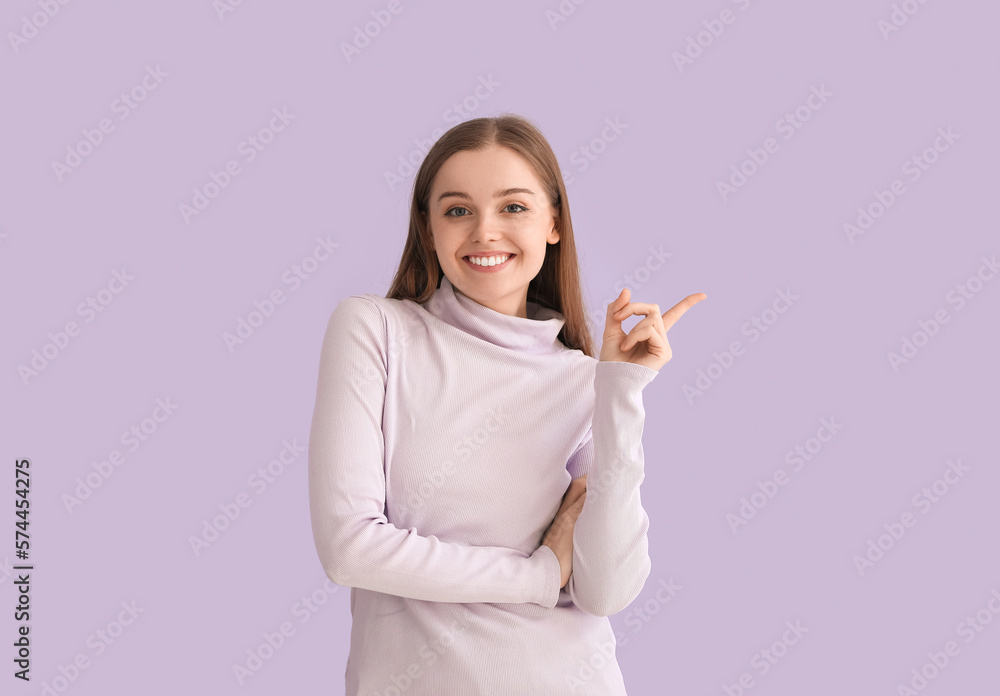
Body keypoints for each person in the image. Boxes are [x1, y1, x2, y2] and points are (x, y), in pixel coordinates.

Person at [307, 113, 706, 695]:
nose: (484, 232)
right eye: (458, 210)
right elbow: (350, 548)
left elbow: (607, 590)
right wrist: (538, 576)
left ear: (554, 224)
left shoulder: (585, 382)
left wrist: (619, 392)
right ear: (429, 229)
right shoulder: (376, 331)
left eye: (513, 207)